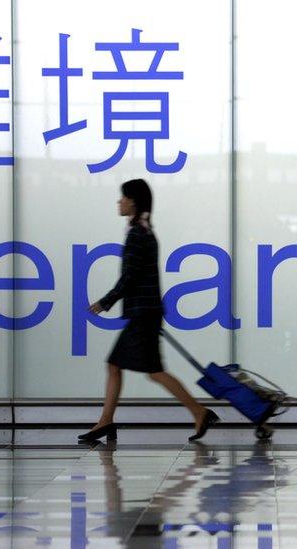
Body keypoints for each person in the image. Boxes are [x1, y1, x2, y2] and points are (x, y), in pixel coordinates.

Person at [79, 178, 219, 444]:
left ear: (133, 201)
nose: (118, 202)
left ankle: (198, 411)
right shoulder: (144, 230)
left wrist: (104, 302)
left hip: (143, 313)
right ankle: (107, 421)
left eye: (122, 197)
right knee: (120, 365)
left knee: (149, 370)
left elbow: (129, 278)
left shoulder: (137, 234)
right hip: (146, 312)